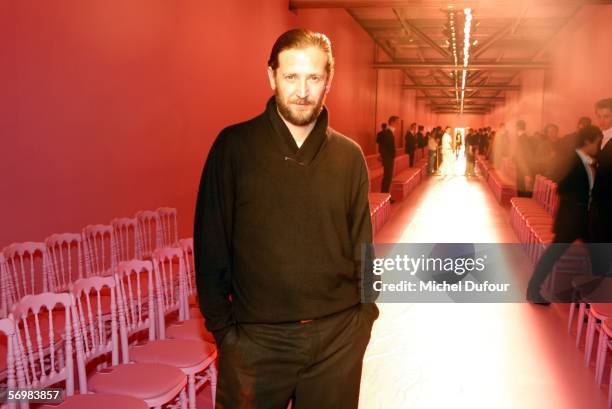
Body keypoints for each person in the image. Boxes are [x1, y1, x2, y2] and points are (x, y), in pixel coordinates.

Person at [194, 28, 378, 409]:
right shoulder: (234, 147)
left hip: (338, 338)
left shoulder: (349, 157)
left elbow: (363, 245)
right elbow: (211, 243)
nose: (302, 90)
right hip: (256, 342)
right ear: (271, 76)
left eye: (314, 77)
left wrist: (364, 316)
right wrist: (224, 332)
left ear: (329, 79)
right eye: (291, 76)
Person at [527, 125, 603, 304]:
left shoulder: (588, 161)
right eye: (597, 142)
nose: (598, 146)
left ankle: (588, 298)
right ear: (587, 142)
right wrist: (581, 200)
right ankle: (533, 290)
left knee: (598, 257)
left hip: (582, 219)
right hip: (572, 218)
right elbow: (561, 186)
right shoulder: (572, 160)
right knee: (554, 255)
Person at [590, 98, 612, 276]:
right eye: (599, 116)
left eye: (606, 116)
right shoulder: (601, 139)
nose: (602, 120)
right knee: (596, 246)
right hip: (598, 202)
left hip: (609, 204)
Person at [513, 119, 534, 197]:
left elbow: (524, 153)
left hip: (522, 163)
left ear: (518, 127)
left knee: (521, 182)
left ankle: (521, 197)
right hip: (522, 163)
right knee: (521, 181)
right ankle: (521, 196)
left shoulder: (523, 138)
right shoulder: (523, 137)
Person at [380, 115, 399, 194]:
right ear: (392, 122)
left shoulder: (390, 132)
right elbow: (383, 146)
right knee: (387, 177)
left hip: (389, 157)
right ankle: (384, 194)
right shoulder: (387, 132)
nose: (398, 124)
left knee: (389, 177)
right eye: (396, 122)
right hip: (387, 158)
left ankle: (386, 194)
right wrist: (384, 157)